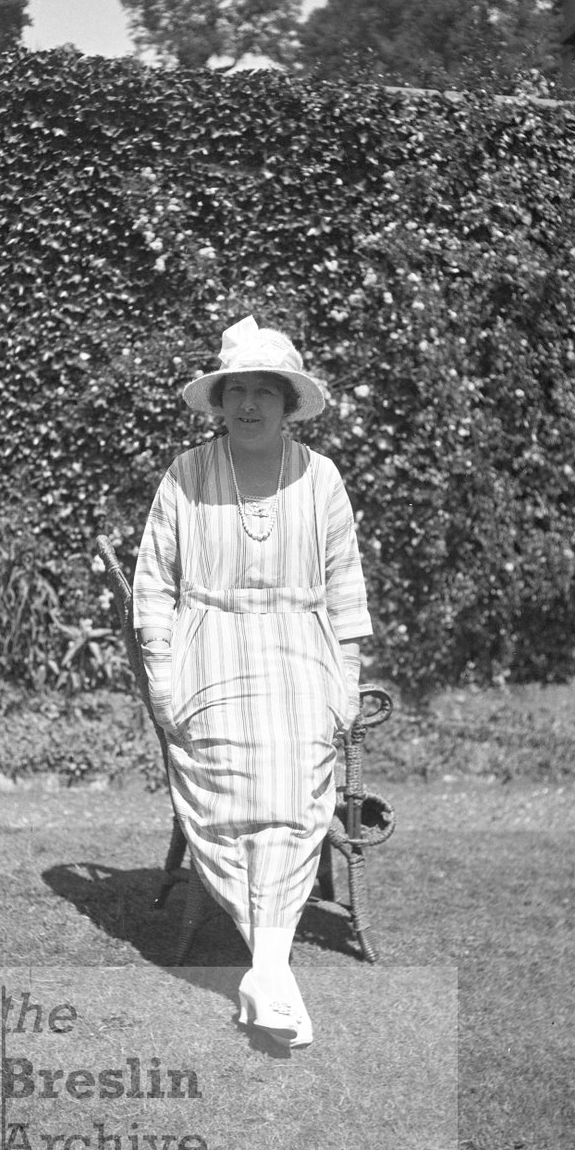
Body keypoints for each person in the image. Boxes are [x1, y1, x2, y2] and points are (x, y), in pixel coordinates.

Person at [132, 315, 372, 1048]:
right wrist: (163, 677)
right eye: (236, 391)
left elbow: (343, 588)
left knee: (295, 764)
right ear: (219, 401)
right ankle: (273, 970)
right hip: (212, 647)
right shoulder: (186, 474)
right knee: (240, 762)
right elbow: (153, 588)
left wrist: (348, 678)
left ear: (288, 404)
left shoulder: (320, 477)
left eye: (264, 393)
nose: (248, 406)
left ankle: (266, 969)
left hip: (300, 649)